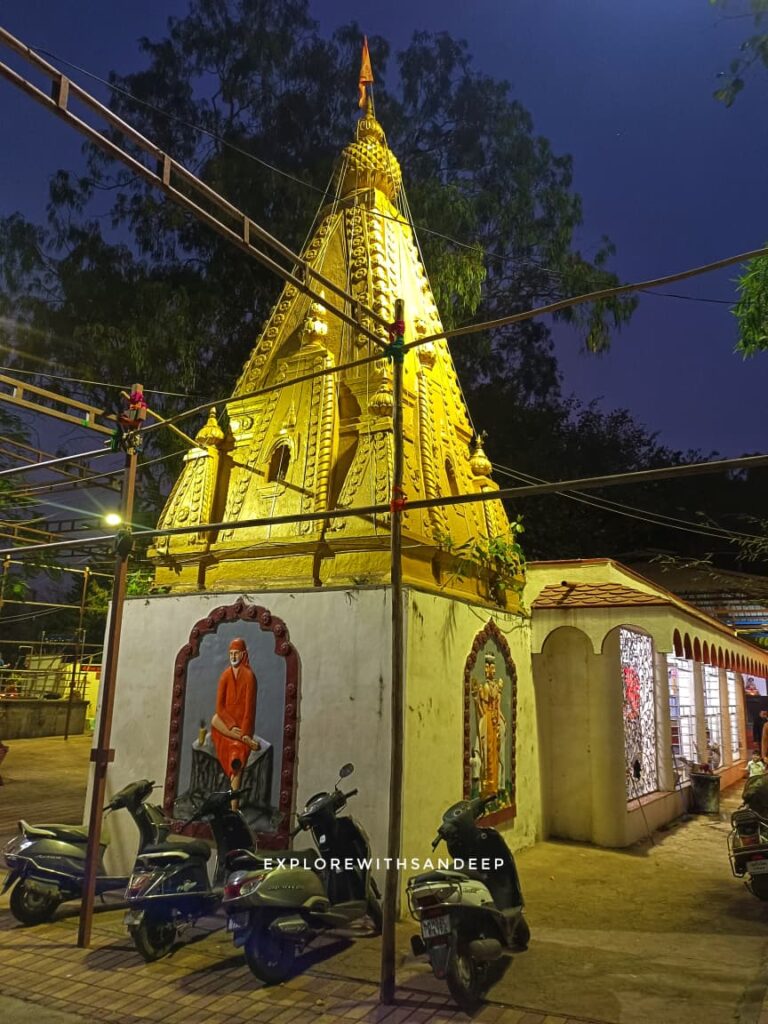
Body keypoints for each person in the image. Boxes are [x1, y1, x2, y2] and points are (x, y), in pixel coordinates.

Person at [211, 638, 259, 791]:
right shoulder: (225, 675)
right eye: (231, 653)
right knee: (214, 719)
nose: (233, 657)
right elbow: (219, 707)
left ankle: (233, 809)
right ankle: (244, 739)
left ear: (243, 654)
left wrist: (244, 731)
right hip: (226, 725)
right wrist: (231, 726)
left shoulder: (249, 677)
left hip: (243, 727)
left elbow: (249, 710)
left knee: (236, 758)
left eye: (236, 653)